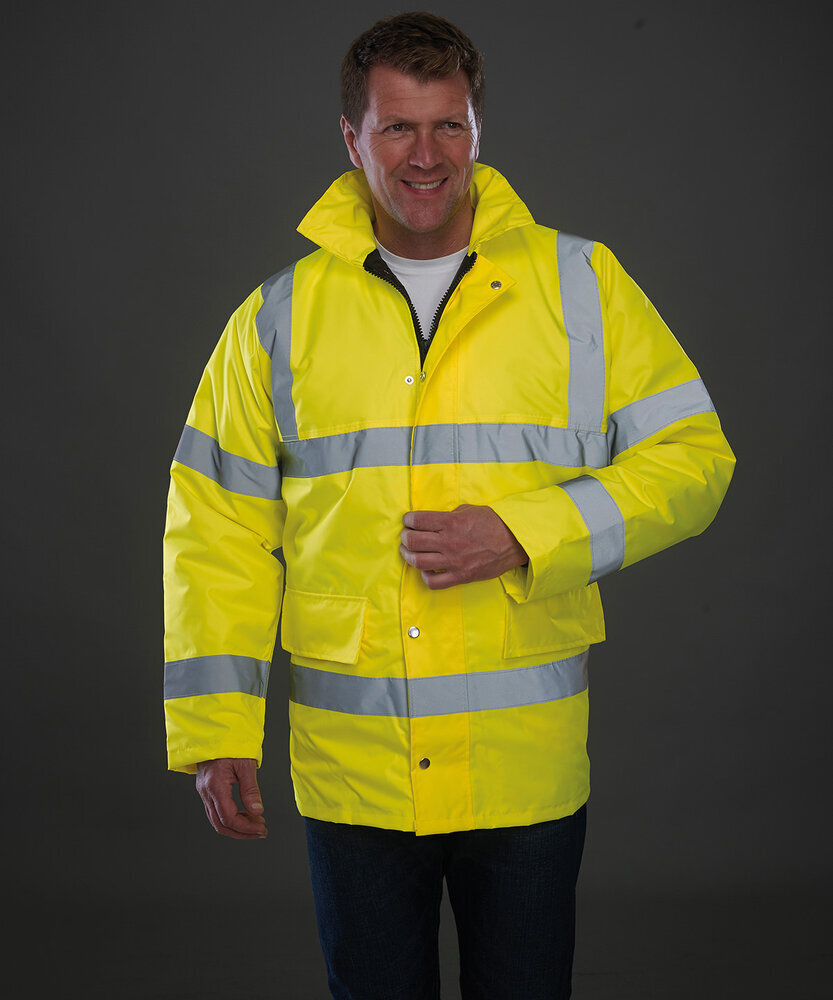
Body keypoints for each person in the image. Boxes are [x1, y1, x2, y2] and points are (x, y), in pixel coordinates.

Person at [163, 12, 735, 999]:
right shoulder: (277, 319)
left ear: (477, 129)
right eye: (396, 127)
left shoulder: (581, 285)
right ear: (352, 140)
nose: (425, 156)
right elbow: (215, 527)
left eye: (448, 126)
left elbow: (694, 460)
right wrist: (216, 728)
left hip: (522, 771)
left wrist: (525, 532)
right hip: (356, 775)